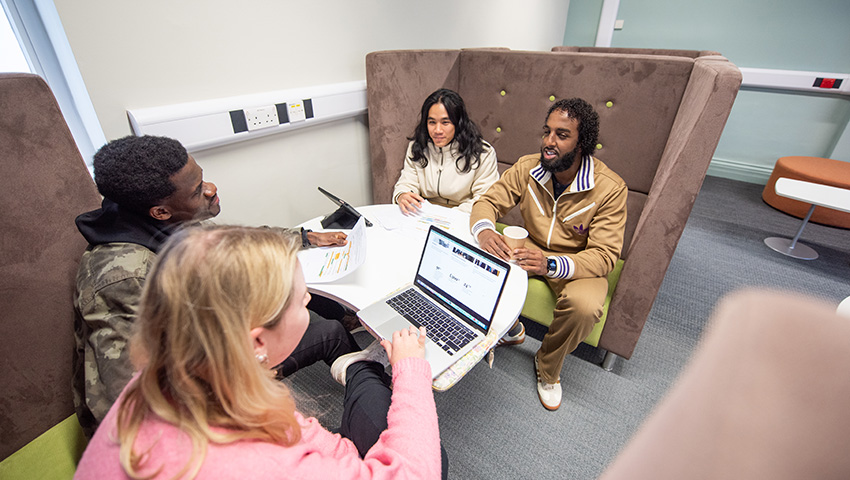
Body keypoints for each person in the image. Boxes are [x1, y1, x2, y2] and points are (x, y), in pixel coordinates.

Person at [74, 225, 444, 479]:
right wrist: (410, 369)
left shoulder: (156, 381)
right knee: (434, 458)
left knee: (334, 337)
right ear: (256, 342)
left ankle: (357, 369)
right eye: (303, 301)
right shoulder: (260, 464)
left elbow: (296, 431)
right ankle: (364, 371)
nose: (311, 302)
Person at [73, 135, 355, 437]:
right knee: (328, 333)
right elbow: (126, 401)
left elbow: (235, 245)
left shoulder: (166, 220)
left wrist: (303, 237)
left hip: (204, 346)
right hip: (174, 414)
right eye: (198, 190)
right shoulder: (122, 278)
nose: (210, 189)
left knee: (324, 313)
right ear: (160, 211)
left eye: (203, 179)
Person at [470, 98, 627, 411]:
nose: (549, 142)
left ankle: (548, 366)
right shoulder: (528, 167)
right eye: (547, 132)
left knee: (584, 307)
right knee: (478, 262)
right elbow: (489, 202)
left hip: (578, 262)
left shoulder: (610, 188)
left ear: (582, 144)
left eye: (561, 135)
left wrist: (551, 264)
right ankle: (511, 329)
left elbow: (605, 255)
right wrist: (485, 231)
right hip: (530, 249)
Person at [392, 88, 499, 214]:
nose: (437, 130)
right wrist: (403, 195)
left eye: (445, 122)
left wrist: (448, 216)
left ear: (458, 123)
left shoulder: (483, 153)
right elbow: (407, 181)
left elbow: (484, 200)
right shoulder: (416, 147)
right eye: (432, 122)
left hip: (463, 216)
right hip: (423, 214)